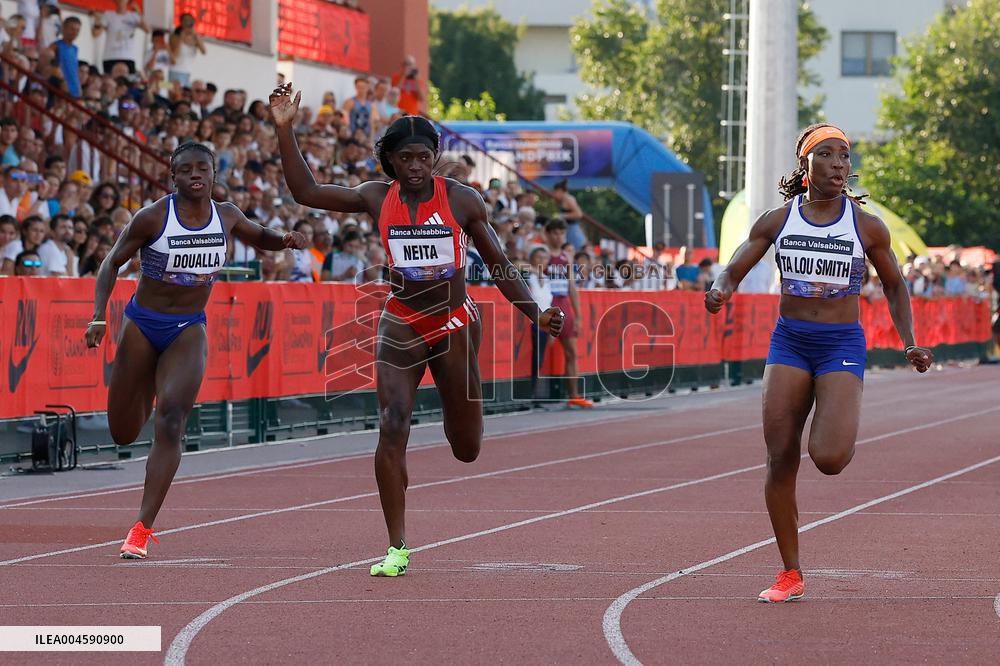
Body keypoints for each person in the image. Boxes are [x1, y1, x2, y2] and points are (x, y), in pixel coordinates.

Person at [270, 84, 563, 577]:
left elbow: (498, 262)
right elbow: (307, 193)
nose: (415, 167)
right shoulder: (375, 196)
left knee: (466, 448)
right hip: (401, 321)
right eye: (405, 158)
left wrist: (535, 313)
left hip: (453, 322)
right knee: (392, 425)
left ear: (435, 158)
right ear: (390, 160)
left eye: (423, 158)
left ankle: (456, 418)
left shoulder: (462, 200)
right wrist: (284, 128)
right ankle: (397, 546)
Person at [704, 123, 933, 603]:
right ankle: (790, 573)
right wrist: (720, 289)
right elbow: (734, 267)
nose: (838, 164)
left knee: (828, 458)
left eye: (844, 156)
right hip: (789, 342)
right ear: (805, 164)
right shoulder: (777, 220)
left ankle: (838, 417)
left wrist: (909, 341)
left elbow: (895, 285)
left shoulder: (866, 225)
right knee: (780, 457)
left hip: (839, 343)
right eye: (826, 154)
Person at [84, 142, 307, 559]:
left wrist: (286, 239)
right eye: (185, 170)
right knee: (123, 432)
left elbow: (260, 235)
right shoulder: (153, 217)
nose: (195, 175)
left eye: (202, 168)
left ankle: (141, 528)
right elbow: (112, 262)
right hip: (142, 324)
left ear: (214, 173)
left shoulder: (227, 215)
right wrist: (99, 316)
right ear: (173, 177)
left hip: (188, 328)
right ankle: (148, 386)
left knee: (172, 420)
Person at [542, 218, 593, 408]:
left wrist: (578, 315)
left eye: (562, 233)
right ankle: (535, 395)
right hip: (548, 303)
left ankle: (574, 395)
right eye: (555, 233)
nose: (559, 237)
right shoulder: (542, 253)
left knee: (571, 352)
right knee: (543, 348)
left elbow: (572, 286)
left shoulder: (567, 256)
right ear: (548, 234)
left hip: (564, 303)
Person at [91, 0, 148, 74]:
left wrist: (140, 14)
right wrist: (97, 21)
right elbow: (95, 34)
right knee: (109, 80)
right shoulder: (108, 15)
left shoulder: (134, 16)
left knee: (129, 80)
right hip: (110, 56)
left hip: (128, 57)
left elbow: (147, 30)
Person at [169, 13, 205, 87]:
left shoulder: (195, 38)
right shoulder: (175, 36)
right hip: (176, 70)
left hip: (187, 72)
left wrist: (195, 35)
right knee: (170, 88)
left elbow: (204, 51)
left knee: (183, 92)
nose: (188, 22)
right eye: (186, 20)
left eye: (190, 20)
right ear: (181, 22)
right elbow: (174, 55)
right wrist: (181, 38)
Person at [551, 179, 587, 251]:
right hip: (569, 229)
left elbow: (579, 214)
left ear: (560, 191)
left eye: (555, 192)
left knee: (576, 251)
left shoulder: (568, 199)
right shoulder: (564, 199)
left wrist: (562, 216)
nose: (554, 195)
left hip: (573, 230)